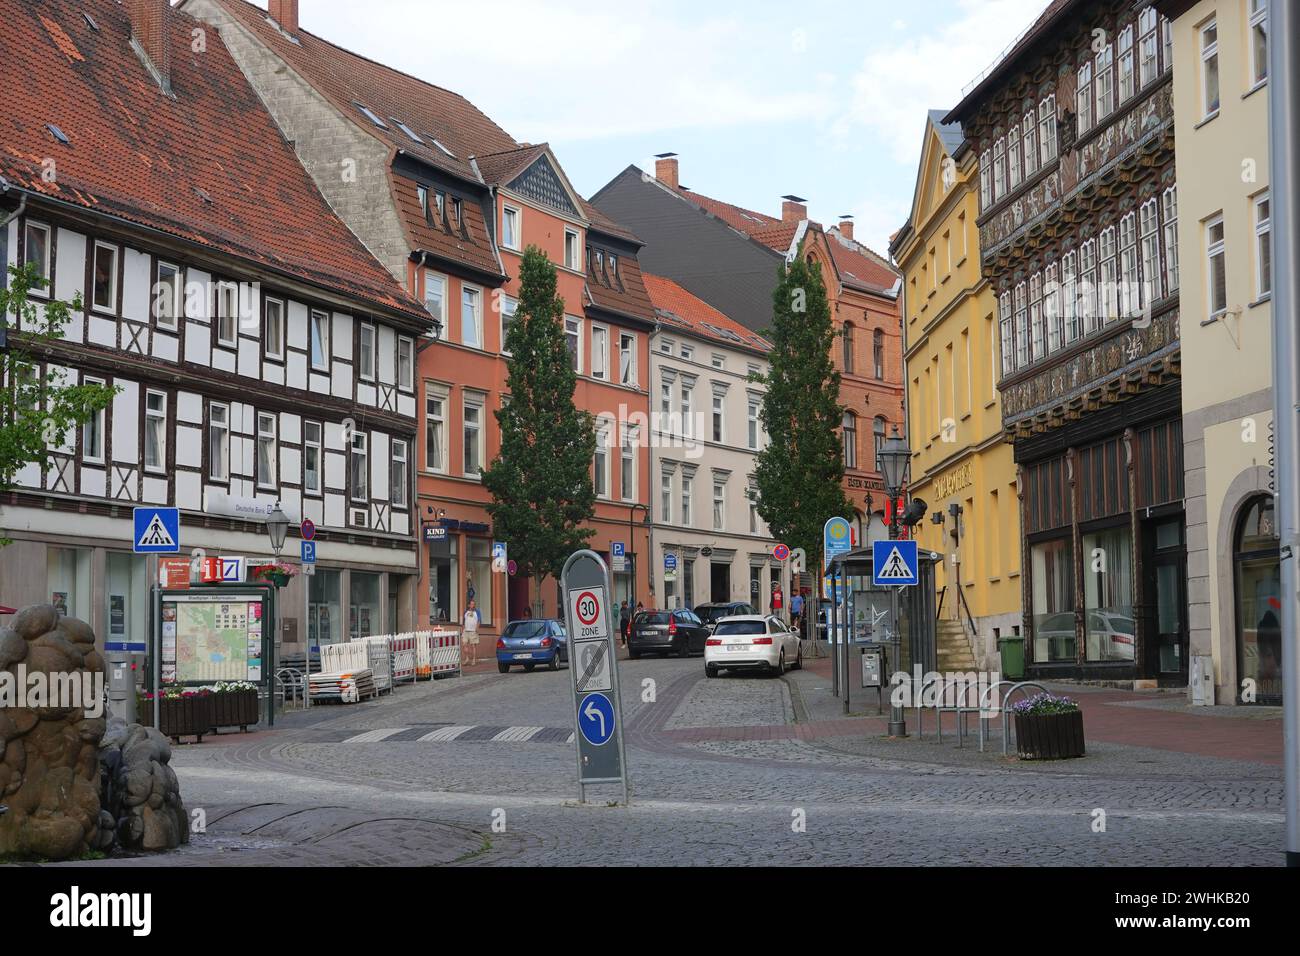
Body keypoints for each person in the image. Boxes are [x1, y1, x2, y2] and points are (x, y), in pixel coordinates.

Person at [462, 599, 481, 666]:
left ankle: (473, 659)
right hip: (466, 631)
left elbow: (479, 620)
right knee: (464, 644)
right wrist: (463, 628)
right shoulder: (465, 612)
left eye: (474, 604)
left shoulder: (477, 612)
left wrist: (477, 628)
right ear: (469, 605)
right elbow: (463, 621)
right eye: (472, 604)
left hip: (473, 631)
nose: (473, 605)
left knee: (473, 646)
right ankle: (467, 658)